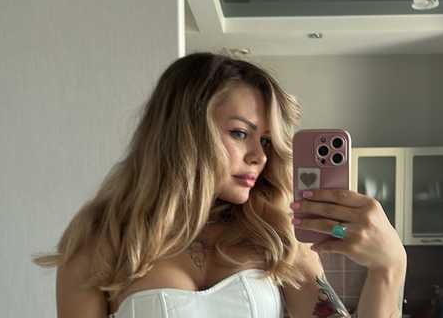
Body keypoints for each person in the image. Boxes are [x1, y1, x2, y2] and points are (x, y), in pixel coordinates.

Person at [33, 52, 407, 317]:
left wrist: (389, 267)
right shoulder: (101, 239)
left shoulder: (275, 233)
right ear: (183, 132)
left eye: (265, 141)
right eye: (240, 133)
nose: (260, 156)